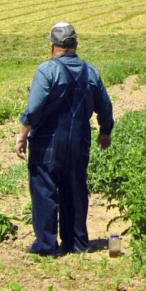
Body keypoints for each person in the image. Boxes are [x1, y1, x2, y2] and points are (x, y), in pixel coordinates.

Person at [15, 22, 114, 256]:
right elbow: (105, 106)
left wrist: (22, 134)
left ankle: (47, 245)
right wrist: (105, 131)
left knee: (44, 190)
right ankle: (77, 243)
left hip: (47, 142)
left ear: (52, 46)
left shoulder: (47, 70)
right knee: (75, 189)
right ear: (75, 45)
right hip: (79, 141)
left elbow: (35, 107)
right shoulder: (91, 71)